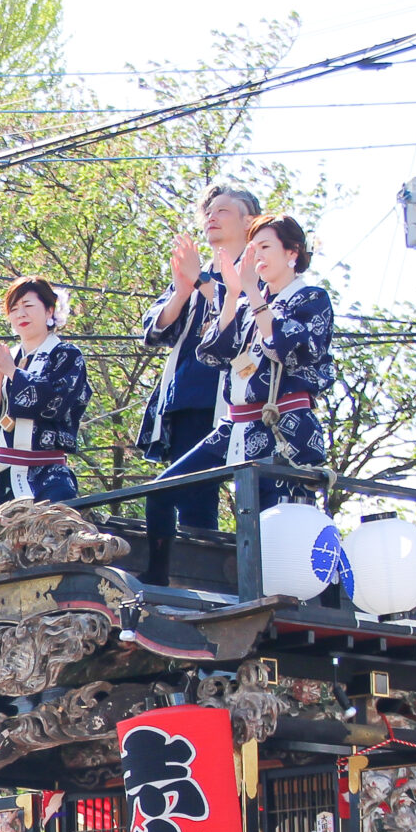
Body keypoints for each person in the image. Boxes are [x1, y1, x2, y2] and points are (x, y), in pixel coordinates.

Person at [150, 214, 334, 545]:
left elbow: (289, 349)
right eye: (252, 249)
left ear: (292, 252)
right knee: (163, 490)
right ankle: (158, 578)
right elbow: (214, 353)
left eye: (265, 246)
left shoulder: (311, 298)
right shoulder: (248, 302)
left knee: (272, 527)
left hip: (283, 426)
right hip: (233, 425)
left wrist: (252, 293)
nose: (257, 256)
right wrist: (233, 296)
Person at [136, 183, 262, 582]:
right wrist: (185, 287)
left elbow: (245, 307)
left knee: (253, 494)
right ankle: (191, 578)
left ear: (249, 220)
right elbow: (153, 332)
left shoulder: (260, 266)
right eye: (208, 211)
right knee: (192, 495)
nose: (212, 217)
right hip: (188, 397)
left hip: (241, 400)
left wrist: (204, 285)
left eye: (223, 210)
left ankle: (227, 577)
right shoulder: (196, 273)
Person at [0, 278, 92, 508]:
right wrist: (0, 372)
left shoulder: (66, 355)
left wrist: (11, 371)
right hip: (1, 478)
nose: (21, 313)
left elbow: (53, 402)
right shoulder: (4, 357)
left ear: (50, 310)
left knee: (54, 536)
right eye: (14, 308)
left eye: (28, 306)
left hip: (47, 475)